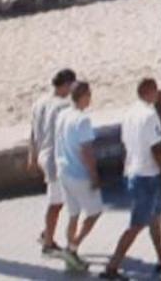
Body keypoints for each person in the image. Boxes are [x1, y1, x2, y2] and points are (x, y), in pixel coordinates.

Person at [101, 78, 161, 280]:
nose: (158, 94)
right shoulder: (150, 115)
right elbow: (156, 148)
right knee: (137, 223)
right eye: (156, 90)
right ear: (150, 92)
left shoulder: (130, 113)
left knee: (155, 218)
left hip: (133, 172)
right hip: (147, 176)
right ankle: (112, 267)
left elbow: (126, 144)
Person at [54, 81, 105, 271]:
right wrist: (94, 175)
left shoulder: (63, 115)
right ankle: (72, 248)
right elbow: (87, 152)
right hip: (79, 174)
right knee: (94, 212)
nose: (91, 97)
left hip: (64, 171)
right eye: (89, 94)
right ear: (82, 96)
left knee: (73, 214)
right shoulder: (82, 120)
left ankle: (71, 258)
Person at [29, 68, 76, 256]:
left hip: (43, 156)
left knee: (58, 199)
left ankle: (47, 233)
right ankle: (48, 242)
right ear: (66, 85)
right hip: (55, 160)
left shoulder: (39, 102)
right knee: (56, 203)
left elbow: (33, 132)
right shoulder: (62, 107)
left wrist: (32, 157)